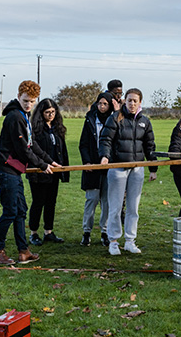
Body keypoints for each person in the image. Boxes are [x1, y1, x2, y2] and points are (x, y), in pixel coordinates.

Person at [0, 80, 60, 265]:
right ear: (18, 97)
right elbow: (23, 149)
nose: (28, 104)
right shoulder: (15, 117)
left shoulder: (24, 116)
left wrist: (48, 160)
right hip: (6, 170)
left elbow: (32, 144)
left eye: (32, 101)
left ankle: (23, 251)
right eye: (25, 100)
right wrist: (42, 165)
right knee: (10, 211)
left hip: (15, 171)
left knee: (21, 210)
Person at [99, 88, 158, 255]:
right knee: (115, 207)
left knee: (133, 207)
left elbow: (150, 146)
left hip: (137, 169)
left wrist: (153, 168)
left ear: (140, 103)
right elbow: (106, 139)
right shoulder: (115, 118)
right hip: (118, 168)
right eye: (129, 100)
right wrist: (105, 156)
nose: (132, 103)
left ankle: (130, 241)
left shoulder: (144, 122)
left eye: (135, 101)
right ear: (125, 101)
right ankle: (114, 241)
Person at [25, 98, 69, 246]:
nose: (50, 115)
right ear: (41, 113)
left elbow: (62, 150)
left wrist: (62, 168)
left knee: (51, 202)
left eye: (53, 112)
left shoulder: (57, 128)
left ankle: (48, 232)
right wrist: (43, 165)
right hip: (39, 172)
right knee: (38, 202)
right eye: (47, 112)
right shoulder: (35, 129)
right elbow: (33, 150)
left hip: (54, 172)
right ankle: (34, 233)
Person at [79, 92, 114, 246]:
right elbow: (83, 144)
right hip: (92, 166)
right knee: (91, 200)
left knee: (106, 201)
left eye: (105, 104)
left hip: (109, 167)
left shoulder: (114, 120)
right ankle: (86, 232)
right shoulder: (90, 120)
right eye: (100, 103)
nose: (102, 106)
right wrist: (87, 162)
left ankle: (104, 232)